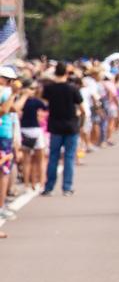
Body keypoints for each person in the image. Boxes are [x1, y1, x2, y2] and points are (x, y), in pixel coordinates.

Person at [42, 61, 83, 196]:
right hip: (71, 125)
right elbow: (81, 107)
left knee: (53, 157)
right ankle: (67, 186)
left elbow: (45, 103)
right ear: (66, 73)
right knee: (69, 157)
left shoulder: (49, 88)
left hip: (55, 125)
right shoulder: (72, 88)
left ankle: (49, 187)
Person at [19, 80, 48, 191]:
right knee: (38, 159)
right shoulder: (35, 101)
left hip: (26, 129)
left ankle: (30, 183)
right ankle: (38, 183)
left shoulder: (23, 101)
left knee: (29, 159)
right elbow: (46, 108)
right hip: (33, 130)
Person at [0, 67, 19, 216]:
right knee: (3, 172)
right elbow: (4, 110)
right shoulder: (3, 91)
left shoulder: (5, 92)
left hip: (6, 134)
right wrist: (13, 93)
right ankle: (1, 207)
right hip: (2, 135)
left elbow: (13, 109)